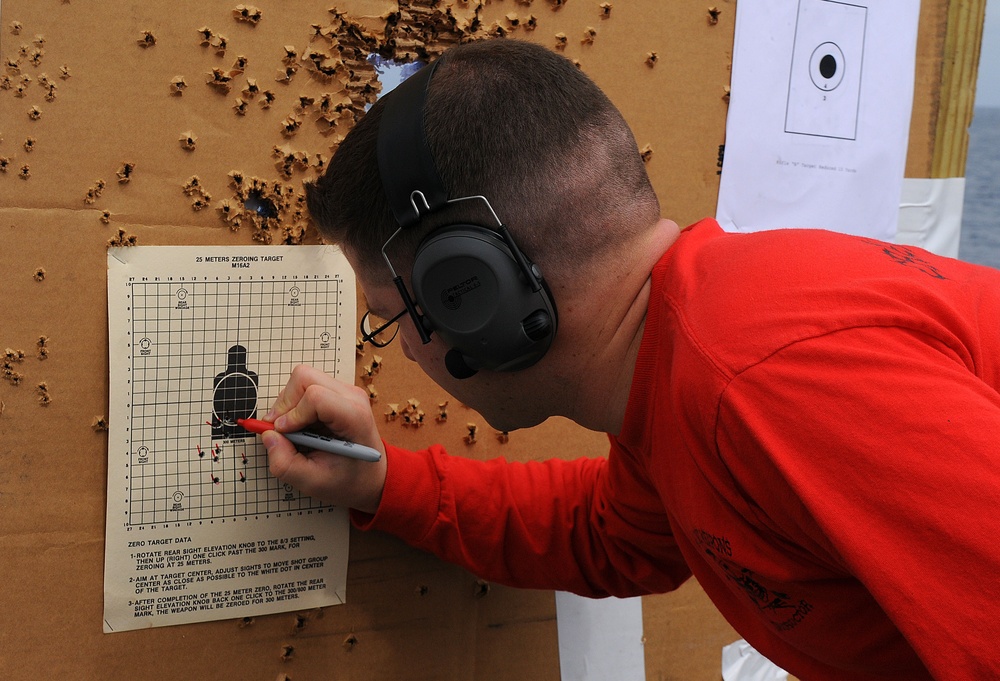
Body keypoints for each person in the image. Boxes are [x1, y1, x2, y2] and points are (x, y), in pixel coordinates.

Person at [261, 38, 1000, 680]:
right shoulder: (685, 371)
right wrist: (382, 483)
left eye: (394, 319)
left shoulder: (760, 378)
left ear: (472, 297)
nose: (409, 351)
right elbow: (607, 533)